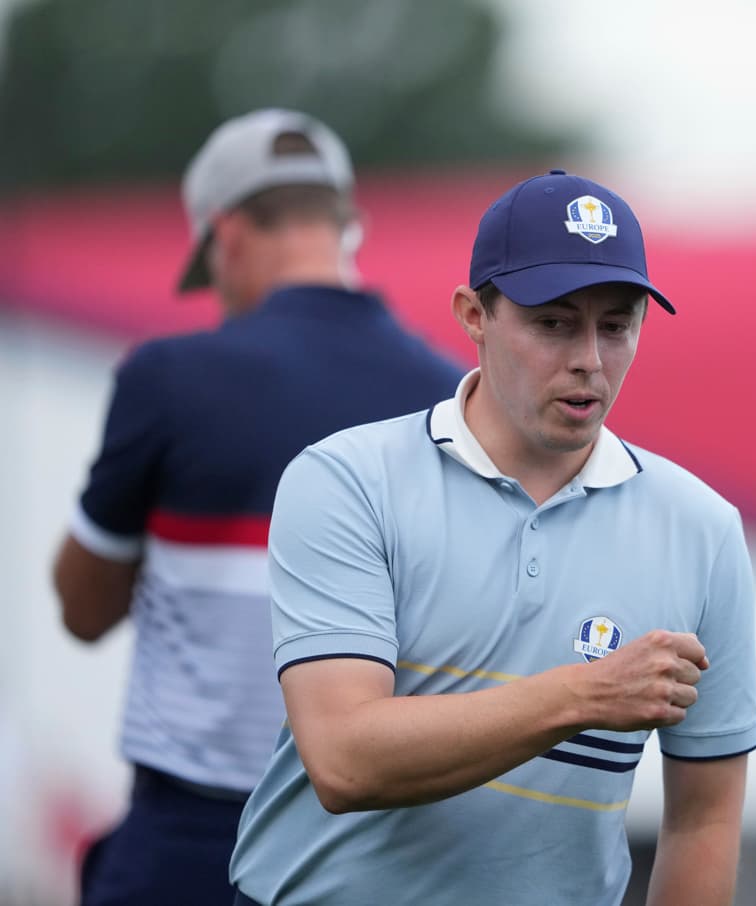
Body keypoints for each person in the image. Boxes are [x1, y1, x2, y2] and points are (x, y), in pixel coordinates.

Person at [227, 169, 756, 906]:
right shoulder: (347, 479)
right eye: (554, 322)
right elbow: (345, 762)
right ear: (473, 314)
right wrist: (585, 693)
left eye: (617, 323)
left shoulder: (703, 527)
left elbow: (704, 820)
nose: (590, 359)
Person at [53, 108, 466, 906]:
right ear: (349, 227)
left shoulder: (166, 378)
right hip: (373, 837)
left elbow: (82, 608)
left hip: (195, 837)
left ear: (226, 233)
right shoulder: (448, 396)